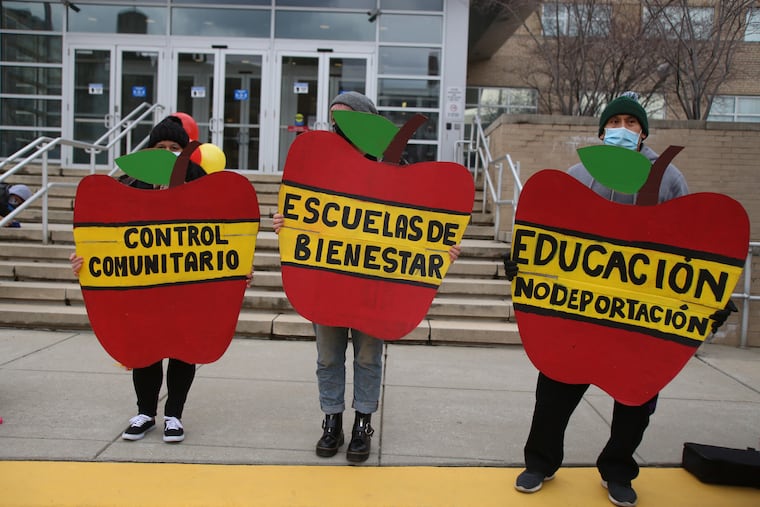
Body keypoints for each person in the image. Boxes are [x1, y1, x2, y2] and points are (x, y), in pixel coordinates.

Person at [506, 92, 737, 507]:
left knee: (636, 396)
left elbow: (688, 242)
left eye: (632, 123)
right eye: (616, 123)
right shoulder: (577, 174)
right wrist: (525, 264)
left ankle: (617, 469)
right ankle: (540, 462)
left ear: (644, 132)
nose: (624, 130)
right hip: (578, 310)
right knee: (555, 389)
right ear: (602, 131)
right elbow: (554, 232)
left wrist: (709, 297)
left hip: (641, 316)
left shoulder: (669, 180)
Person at [273, 91, 461, 463]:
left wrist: (440, 249)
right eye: (333, 120)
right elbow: (308, 215)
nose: (338, 128)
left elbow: (417, 226)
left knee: (368, 357)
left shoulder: (398, 172)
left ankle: (362, 423)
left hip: (376, 289)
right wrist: (287, 224)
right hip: (326, 284)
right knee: (328, 358)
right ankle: (332, 421)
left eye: (347, 120)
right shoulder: (317, 170)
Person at [70, 115, 247, 444]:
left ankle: (174, 415)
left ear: (184, 153)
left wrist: (234, 272)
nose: (166, 152)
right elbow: (104, 235)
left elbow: (223, 235)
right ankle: (145, 413)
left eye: (174, 148)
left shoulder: (201, 184)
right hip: (143, 288)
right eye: (160, 147)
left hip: (188, 289)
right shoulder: (128, 186)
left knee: (184, 347)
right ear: (149, 150)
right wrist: (85, 262)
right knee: (145, 346)